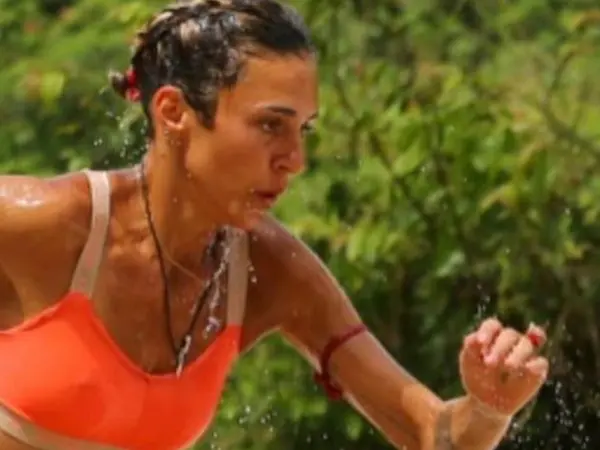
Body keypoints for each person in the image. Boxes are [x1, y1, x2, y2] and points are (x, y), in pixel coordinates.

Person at [0, 0, 549, 449]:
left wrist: (488, 410)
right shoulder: (49, 225)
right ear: (173, 113)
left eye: (302, 130)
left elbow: (432, 435)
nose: (295, 160)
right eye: (270, 125)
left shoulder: (269, 270)